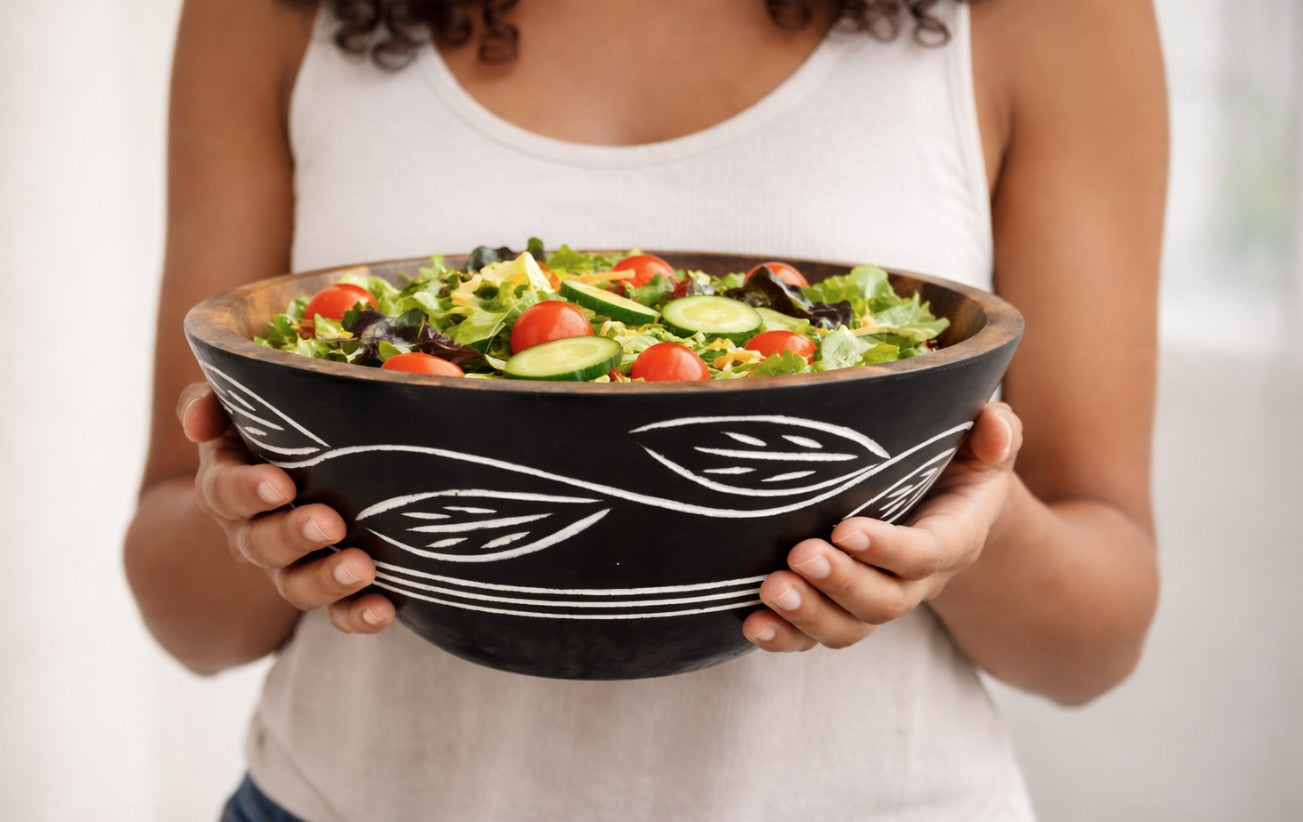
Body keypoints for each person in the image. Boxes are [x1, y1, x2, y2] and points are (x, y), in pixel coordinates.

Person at [125, 0, 1168, 819]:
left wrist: (960, 524)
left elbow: (1094, 640)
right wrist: (261, 508)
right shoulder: (274, 9)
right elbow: (188, 618)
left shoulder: (1045, 13)